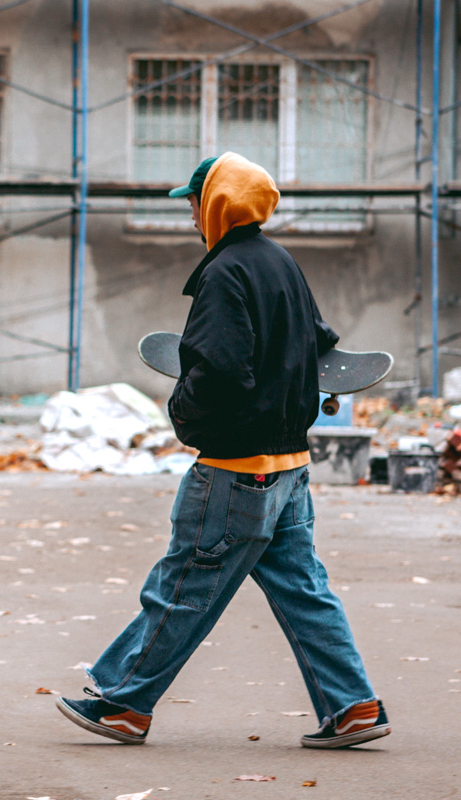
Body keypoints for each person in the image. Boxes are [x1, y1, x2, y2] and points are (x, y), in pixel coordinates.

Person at [56, 152, 391, 750]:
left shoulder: (223, 272)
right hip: (289, 466)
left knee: (183, 585)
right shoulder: (282, 263)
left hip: (235, 471)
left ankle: (125, 703)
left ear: (217, 203)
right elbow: (321, 345)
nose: (189, 212)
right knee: (303, 590)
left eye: (192, 200)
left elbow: (219, 373)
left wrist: (181, 409)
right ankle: (354, 706)